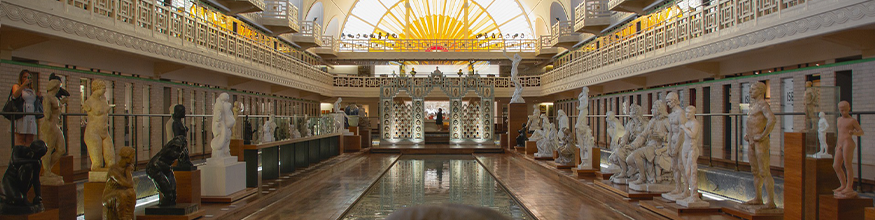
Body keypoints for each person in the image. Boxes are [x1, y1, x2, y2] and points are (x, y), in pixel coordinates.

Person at [12, 70, 41, 146]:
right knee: (20, 138)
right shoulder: (17, 86)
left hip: (31, 115)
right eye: (24, 77)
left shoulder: (32, 90)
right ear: (21, 78)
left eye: (28, 77)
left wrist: (38, 97)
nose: (26, 79)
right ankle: (19, 155)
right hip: (22, 114)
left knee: (30, 139)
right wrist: (23, 85)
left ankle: (27, 155)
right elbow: (15, 95)